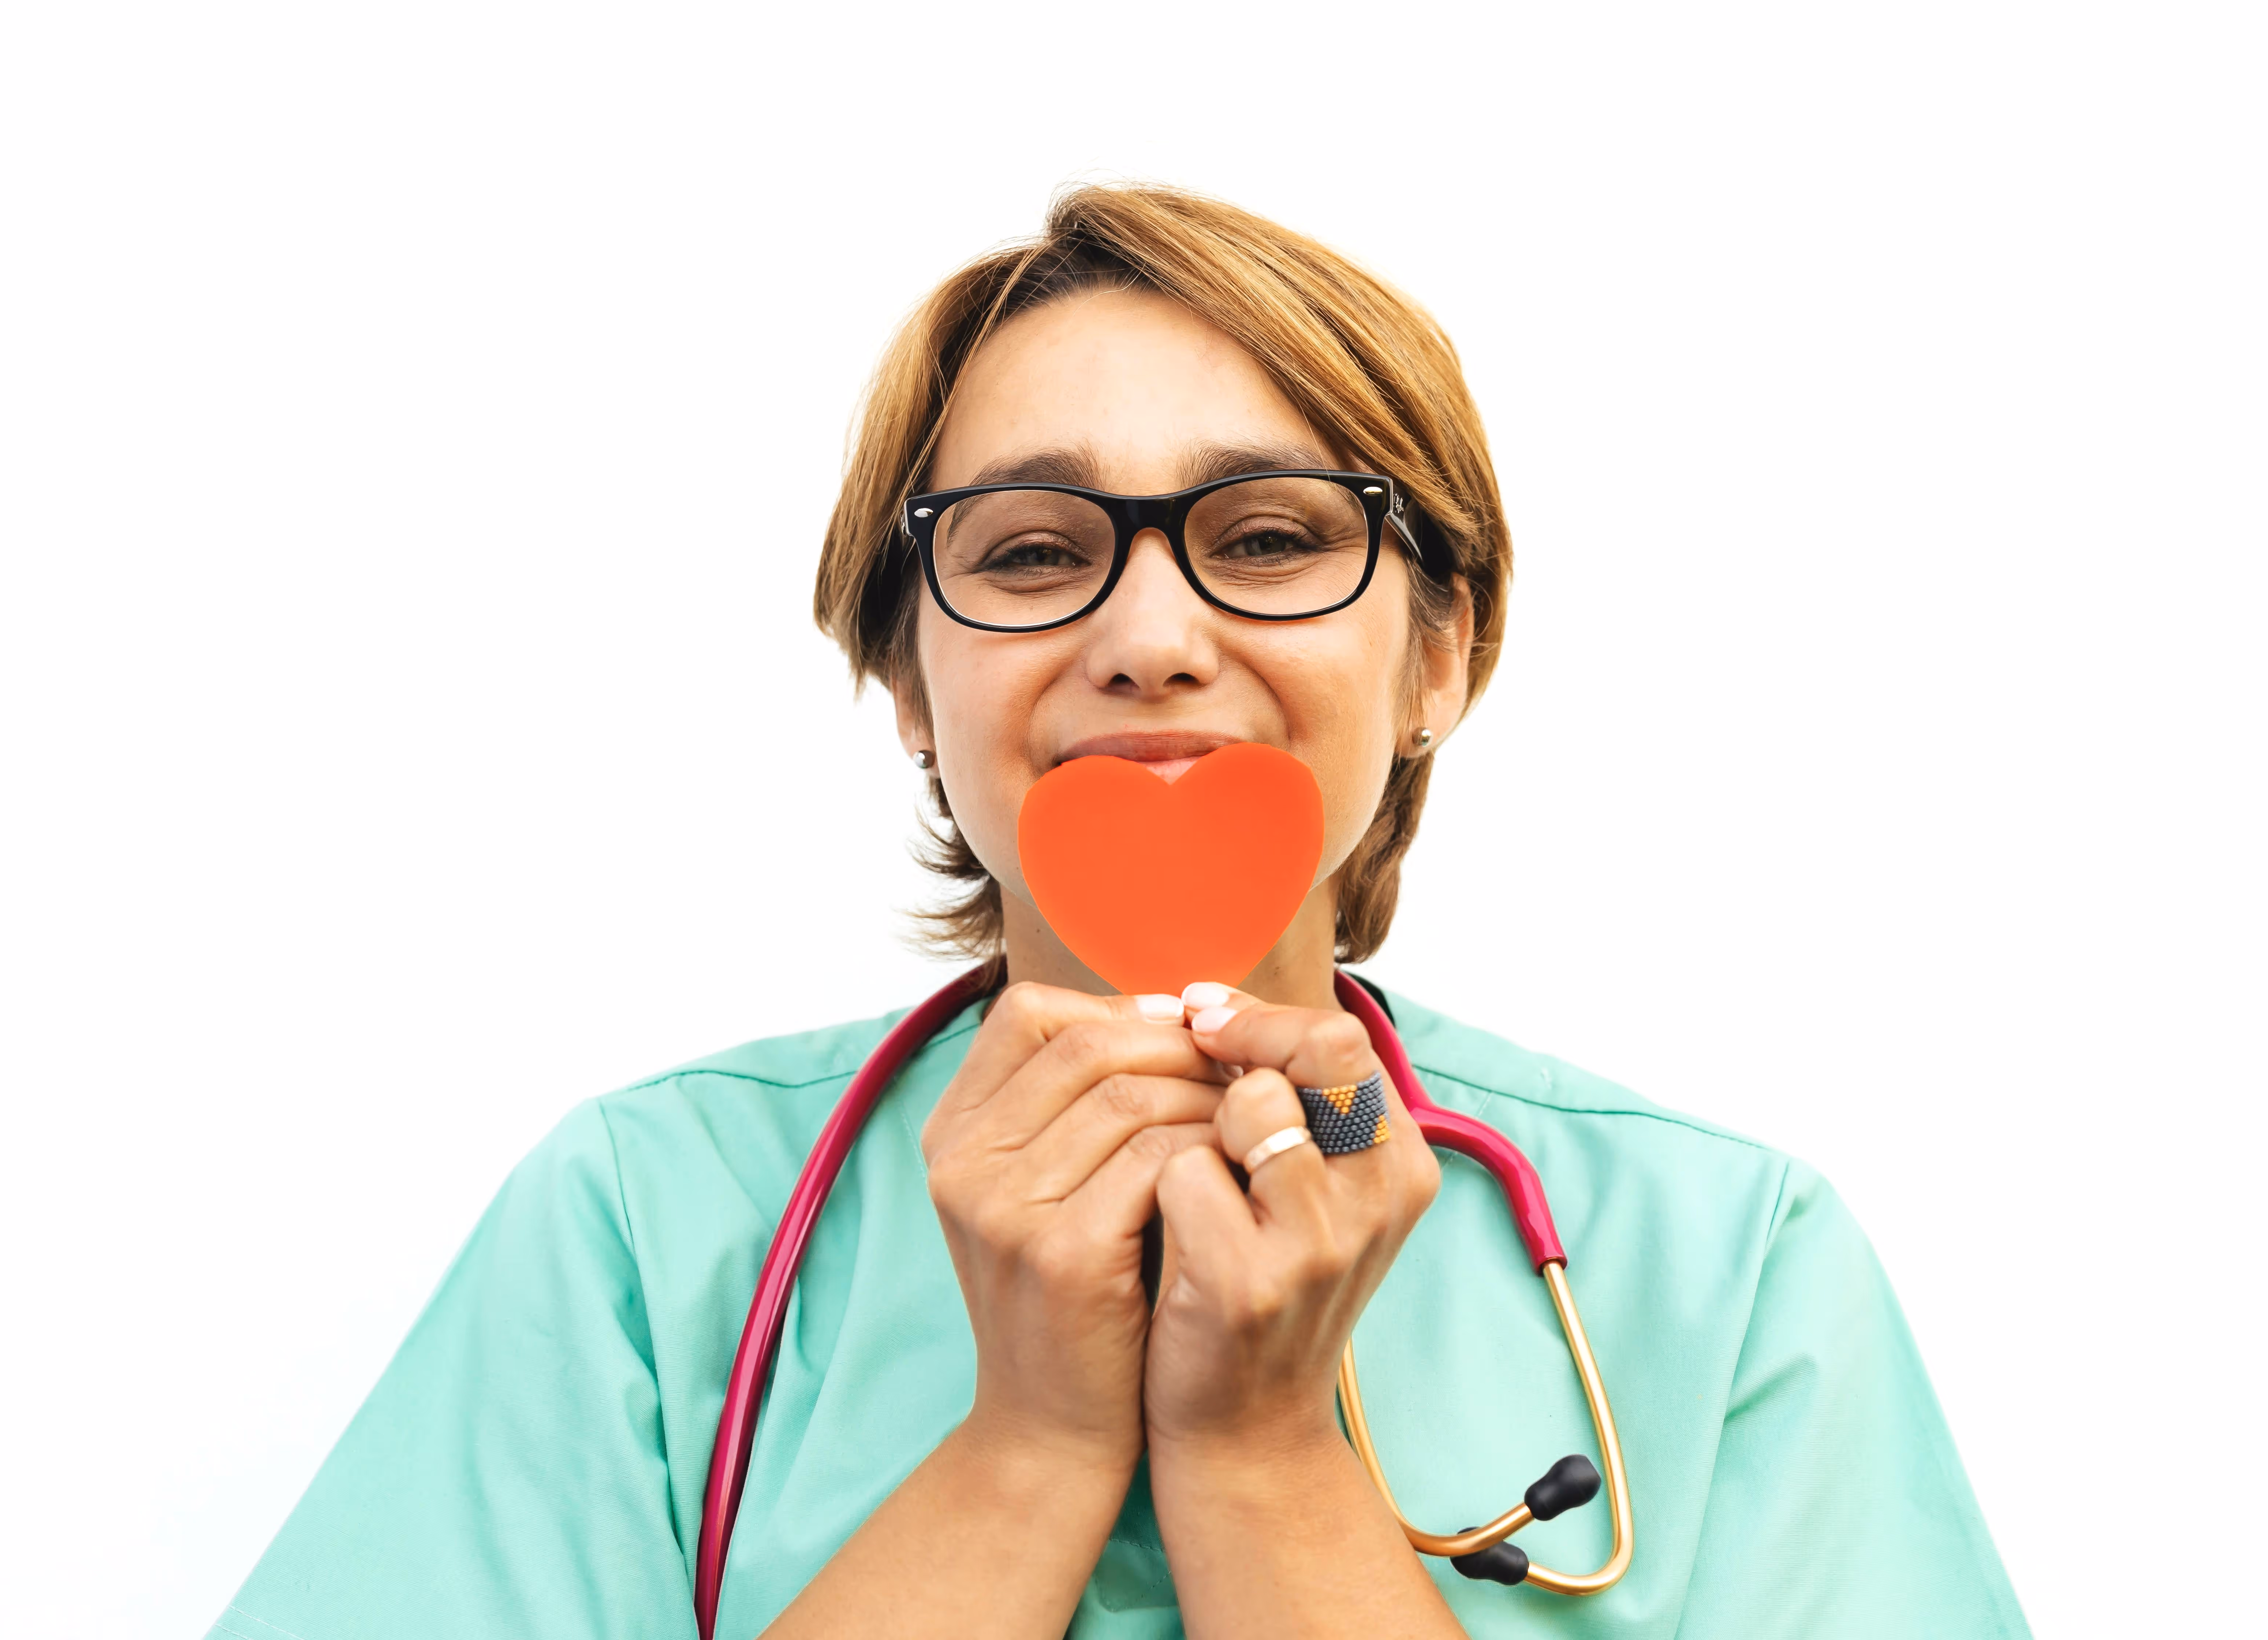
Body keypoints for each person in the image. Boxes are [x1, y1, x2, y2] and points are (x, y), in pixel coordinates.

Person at [214, 185, 2029, 1640]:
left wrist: (1255, 1454)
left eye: (1267, 539)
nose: (1153, 637)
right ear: (913, 684)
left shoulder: (1730, 1261)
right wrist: (1030, 1443)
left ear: (1441, 655)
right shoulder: (637, 1226)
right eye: (1027, 552)